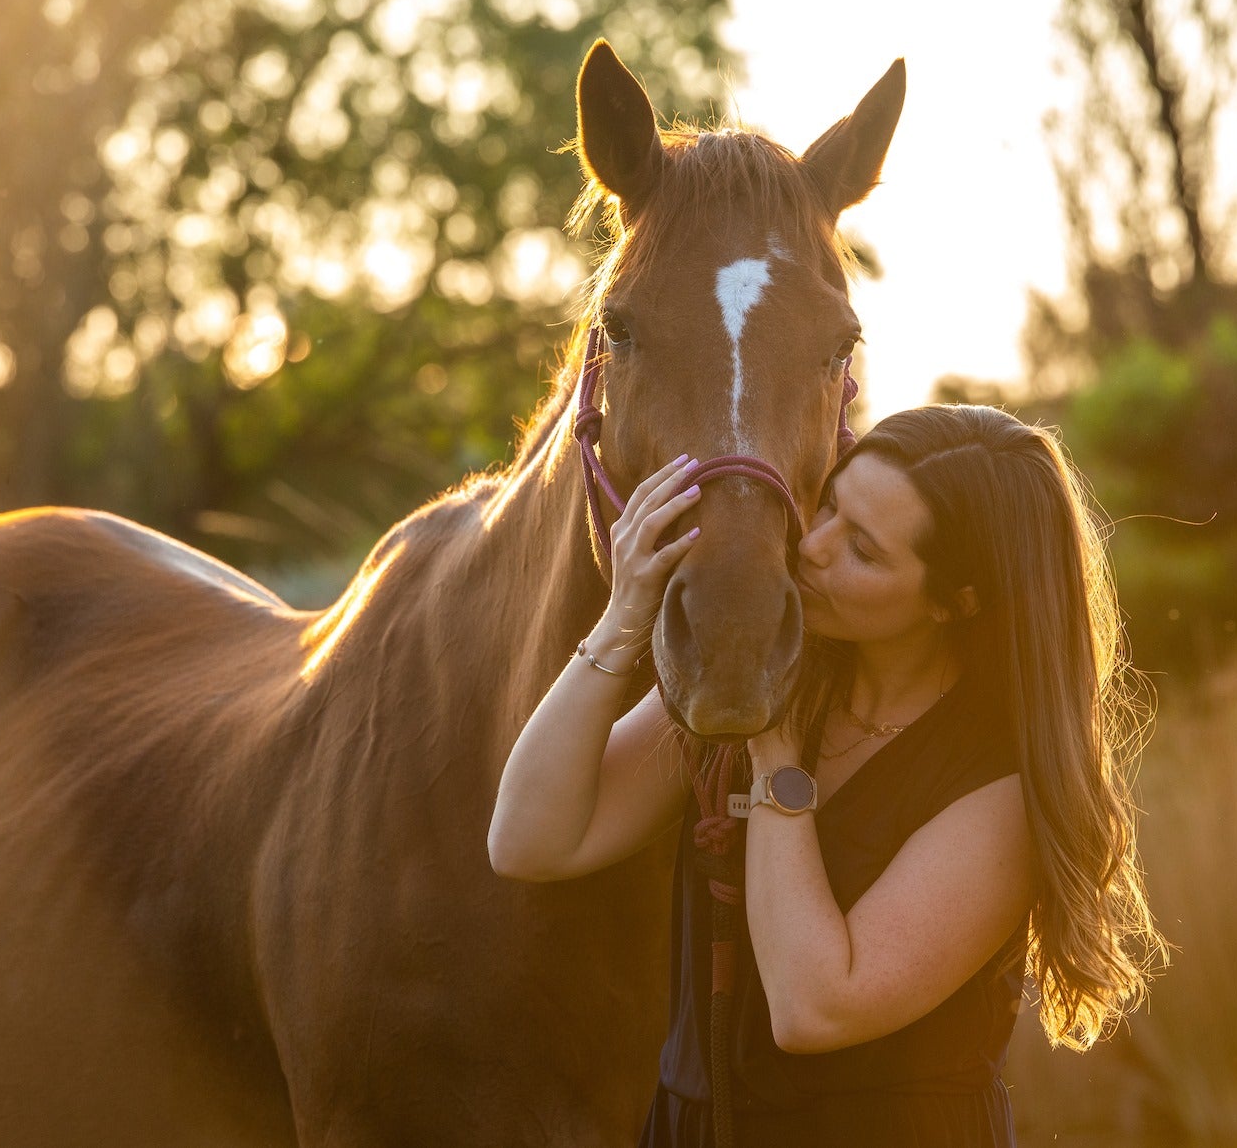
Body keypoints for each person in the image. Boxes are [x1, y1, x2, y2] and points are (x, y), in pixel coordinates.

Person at [489, 404, 1161, 1146]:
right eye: (831, 504)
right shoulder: (770, 666)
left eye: (864, 552)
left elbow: (813, 1008)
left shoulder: (999, 787)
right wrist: (624, 615)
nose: (812, 547)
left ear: (954, 603)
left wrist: (776, 758)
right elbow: (529, 840)